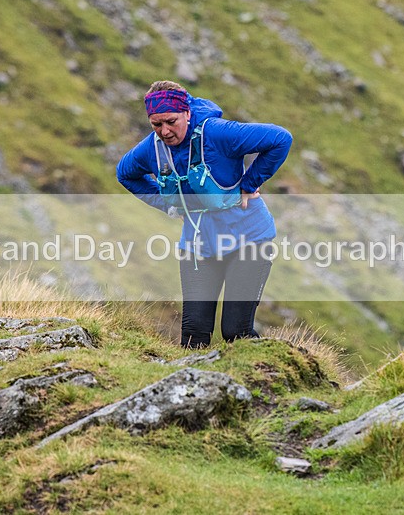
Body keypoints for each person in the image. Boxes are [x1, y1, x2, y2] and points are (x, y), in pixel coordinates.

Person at [117, 80, 292, 348]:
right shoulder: (152, 148)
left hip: (249, 239)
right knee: (193, 334)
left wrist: (249, 184)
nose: (164, 131)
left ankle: (264, 374)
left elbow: (280, 138)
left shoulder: (219, 134)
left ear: (187, 113)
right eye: (156, 124)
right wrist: (171, 205)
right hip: (198, 246)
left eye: (171, 121)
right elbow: (125, 174)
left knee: (235, 331)